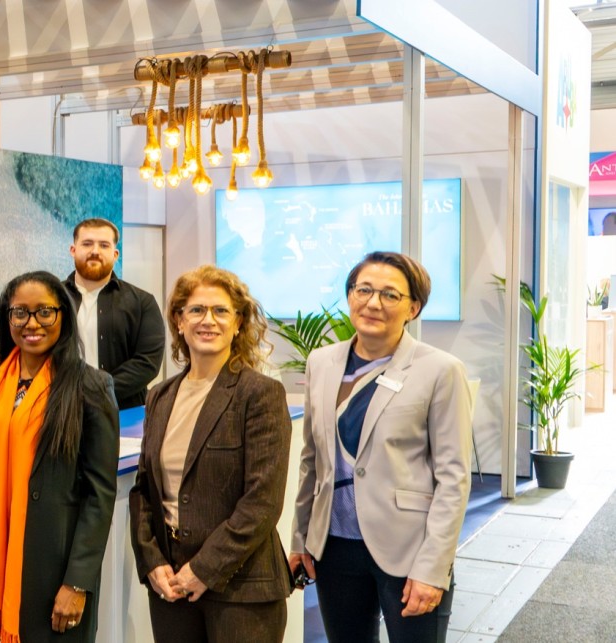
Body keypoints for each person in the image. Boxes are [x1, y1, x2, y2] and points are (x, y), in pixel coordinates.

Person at [291, 252, 472, 643]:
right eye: (364, 290)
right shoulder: (322, 362)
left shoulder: (440, 370)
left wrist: (433, 567)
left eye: (390, 295)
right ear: (350, 295)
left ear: (413, 307)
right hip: (335, 546)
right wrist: (300, 538)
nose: (373, 303)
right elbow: (312, 460)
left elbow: (453, 478)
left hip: (408, 547)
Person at [129, 265, 292, 642]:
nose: (209, 321)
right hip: (171, 587)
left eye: (221, 311)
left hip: (241, 589)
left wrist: (202, 569)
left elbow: (262, 502)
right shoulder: (160, 396)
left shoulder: (259, 393)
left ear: (238, 323)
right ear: (179, 321)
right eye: (197, 310)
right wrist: (151, 561)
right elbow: (144, 490)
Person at [0, 271, 120, 643]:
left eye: (44, 312)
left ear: (62, 315)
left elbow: (100, 494)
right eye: (20, 313)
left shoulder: (90, 387)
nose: (31, 324)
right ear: (7, 318)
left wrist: (77, 583)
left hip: (57, 567)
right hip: (1, 561)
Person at [63, 218, 165, 409]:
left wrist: (97, 392)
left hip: (124, 413)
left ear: (115, 254)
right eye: (87, 243)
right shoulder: (52, 301)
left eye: (104, 245)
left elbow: (147, 362)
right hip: (63, 410)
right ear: (73, 250)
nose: (95, 251)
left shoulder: (143, 302)